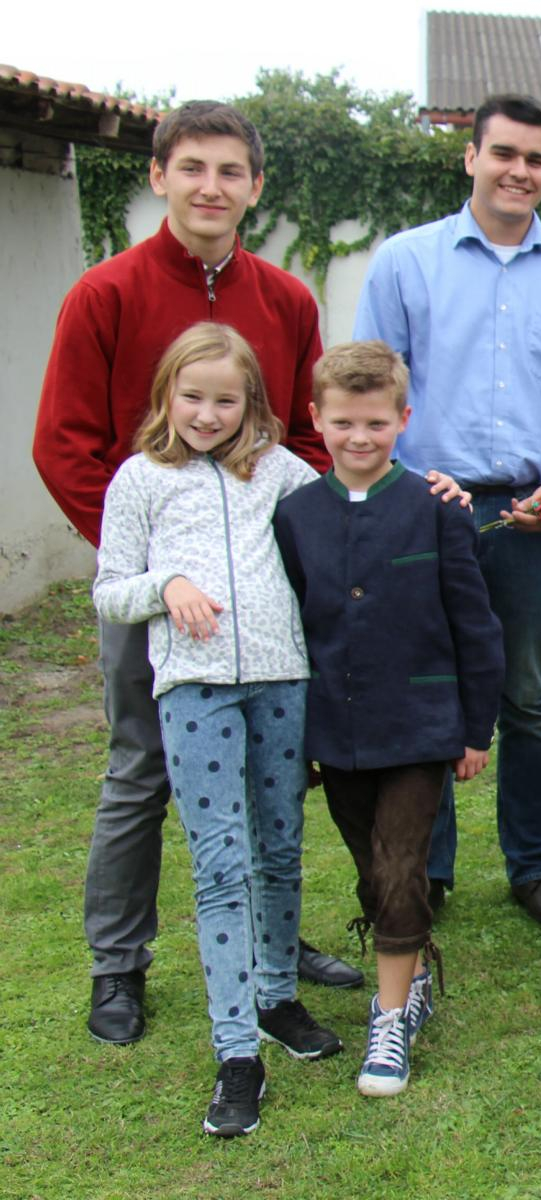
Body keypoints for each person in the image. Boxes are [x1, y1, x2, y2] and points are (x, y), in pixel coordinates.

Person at [33, 100, 361, 1047]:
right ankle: (119, 962)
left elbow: (308, 445)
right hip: (152, 593)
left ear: (255, 187)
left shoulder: (287, 300)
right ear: (158, 177)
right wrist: (146, 557)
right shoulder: (105, 294)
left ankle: (272, 944)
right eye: (192, 168)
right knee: (141, 769)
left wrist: (277, 556)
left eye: (229, 172)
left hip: (259, 602)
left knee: (271, 777)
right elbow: (65, 445)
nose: (210, 188)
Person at [354, 94, 541, 929]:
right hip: (423, 511)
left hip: (531, 516)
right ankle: (426, 869)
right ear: (470, 157)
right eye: (504, 153)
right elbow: (370, 389)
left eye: (536, 158)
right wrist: (405, 485)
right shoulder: (405, 262)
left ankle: (534, 866)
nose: (520, 171)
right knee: (427, 690)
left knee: (527, 696)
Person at [91, 324, 344, 1137]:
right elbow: (109, 587)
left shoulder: (280, 470)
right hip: (194, 689)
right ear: (167, 394)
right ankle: (237, 1050)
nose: (207, 414)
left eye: (225, 400)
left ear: (252, 404)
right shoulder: (140, 478)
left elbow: (349, 512)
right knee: (221, 863)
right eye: (192, 397)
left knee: (280, 846)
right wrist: (166, 584)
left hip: (281, 682)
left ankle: (276, 997)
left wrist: (432, 494)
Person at [273, 342, 505, 1097]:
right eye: (343, 423)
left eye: (376, 423)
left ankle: (390, 1017)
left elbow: (475, 625)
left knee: (404, 864)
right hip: (335, 729)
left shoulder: (437, 508)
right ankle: (413, 971)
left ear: (403, 419)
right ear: (317, 419)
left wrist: (474, 728)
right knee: (373, 870)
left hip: (420, 724)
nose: (360, 437)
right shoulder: (296, 516)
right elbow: (294, 625)